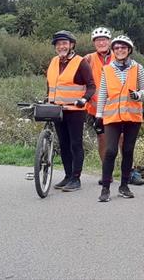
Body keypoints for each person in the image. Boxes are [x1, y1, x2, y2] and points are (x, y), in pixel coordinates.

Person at [95, 35, 144, 202]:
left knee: (127, 151)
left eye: (123, 48)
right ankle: (105, 188)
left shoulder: (137, 68)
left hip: (132, 116)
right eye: (116, 48)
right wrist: (98, 115)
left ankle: (124, 186)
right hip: (112, 116)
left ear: (129, 50)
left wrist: (138, 95)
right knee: (110, 151)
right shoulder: (107, 68)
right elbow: (103, 92)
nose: (120, 50)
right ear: (113, 50)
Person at [46, 30, 95, 192]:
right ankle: (67, 176)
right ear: (55, 47)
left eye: (65, 43)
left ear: (71, 45)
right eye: (59, 44)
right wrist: (46, 99)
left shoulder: (80, 62)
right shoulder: (53, 61)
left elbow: (91, 86)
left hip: (75, 109)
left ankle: (76, 178)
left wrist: (84, 99)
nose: (62, 46)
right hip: (56, 109)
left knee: (75, 144)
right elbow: (51, 84)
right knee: (64, 144)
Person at [84, 27, 114, 184]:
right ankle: (106, 172)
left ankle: (129, 170)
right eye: (98, 40)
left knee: (122, 139)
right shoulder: (88, 59)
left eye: (104, 40)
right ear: (94, 43)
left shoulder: (119, 55)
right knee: (102, 139)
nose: (101, 42)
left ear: (109, 42)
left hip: (117, 106)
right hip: (96, 108)